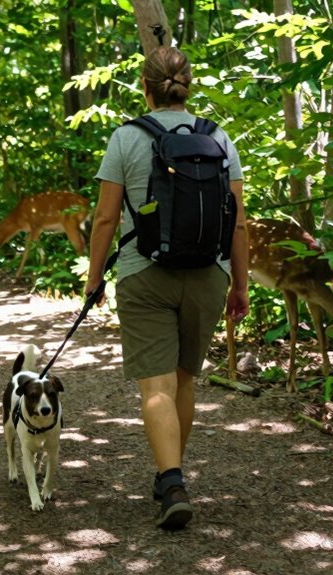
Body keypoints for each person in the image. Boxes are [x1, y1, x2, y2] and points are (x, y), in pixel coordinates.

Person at [84, 46, 249, 530]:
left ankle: (172, 481)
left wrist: (94, 279)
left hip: (144, 273)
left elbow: (105, 218)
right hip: (208, 274)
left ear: (145, 86)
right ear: (188, 86)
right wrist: (240, 285)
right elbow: (239, 223)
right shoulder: (218, 137)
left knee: (156, 385)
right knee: (183, 380)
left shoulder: (126, 137)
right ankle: (169, 476)